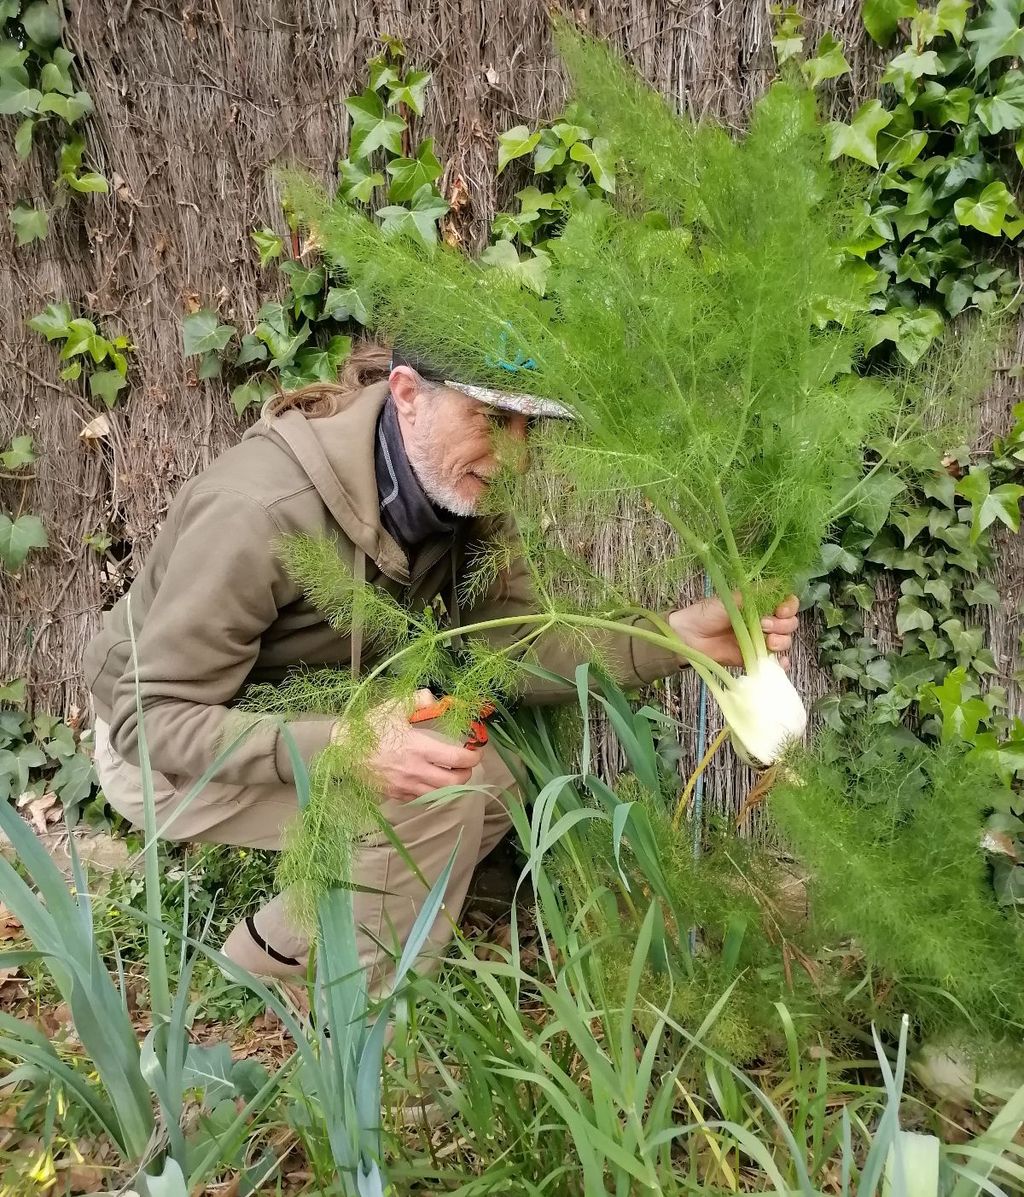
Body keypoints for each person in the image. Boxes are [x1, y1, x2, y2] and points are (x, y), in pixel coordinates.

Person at [85, 342, 799, 995]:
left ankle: (271, 953)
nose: (514, 456)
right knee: (435, 798)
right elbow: (151, 718)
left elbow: (515, 646)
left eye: (529, 428)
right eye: (490, 417)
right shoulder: (259, 510)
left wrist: (677, 637)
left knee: (490, 773)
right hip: (171, 752)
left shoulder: (467, 491)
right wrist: (343, 746)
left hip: (317, 715)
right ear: (406, 392)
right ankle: (365, 1045)